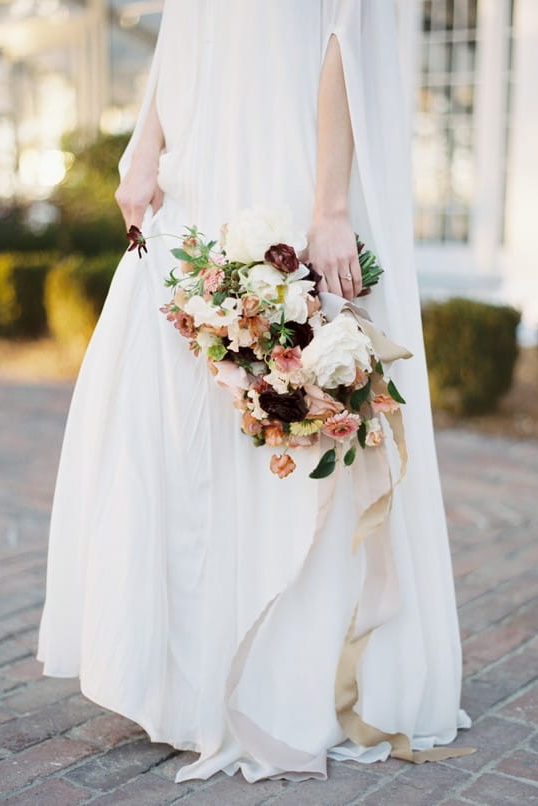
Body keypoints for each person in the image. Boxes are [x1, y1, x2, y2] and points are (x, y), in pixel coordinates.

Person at [36, 0, 473, 783]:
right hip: (196, 167)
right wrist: (144, 150)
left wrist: (331, 207)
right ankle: (188, 679)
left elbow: (345, 35)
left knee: (293, 421)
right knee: (176, 422)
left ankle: (288, 681)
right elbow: (183, 25)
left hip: (286, 159)